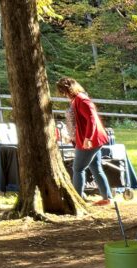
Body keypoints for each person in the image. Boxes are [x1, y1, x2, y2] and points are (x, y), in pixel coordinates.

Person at [55, 77, 112, 206]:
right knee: (95, 167)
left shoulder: (82, 99)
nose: (63, 94)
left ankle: (77, 200)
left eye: (63, 91)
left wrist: (88, 138)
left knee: (78, 168)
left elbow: (91, 120)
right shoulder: (77, 100)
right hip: (89, 139)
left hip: (91, 140)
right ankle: (107, 197)